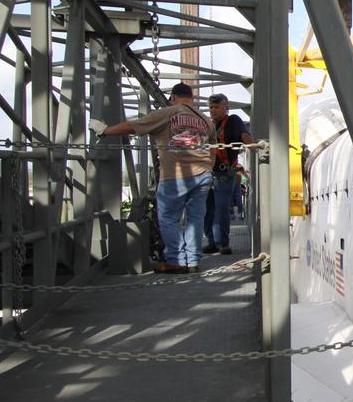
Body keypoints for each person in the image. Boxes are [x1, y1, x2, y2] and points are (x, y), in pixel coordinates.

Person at [96, 83, 214, 274]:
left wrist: (105, 130)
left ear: (174, 97)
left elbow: (134, 126)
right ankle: (192, 260)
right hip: (203, 173)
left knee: (169, 218)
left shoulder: (169, 112)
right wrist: (208, 167)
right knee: (195, 218)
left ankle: (176, 260)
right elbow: (213, 148)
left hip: (175, 175)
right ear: (191, 98)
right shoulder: (206, 119)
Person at [201, 93, 254, 255]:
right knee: (207, 208)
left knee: (222, 208)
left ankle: (222, 243)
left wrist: (253, 145)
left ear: (226, 108)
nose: (213, 110)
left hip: (224, 173)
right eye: (211, 107)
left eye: (216, 107)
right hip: (207, 173)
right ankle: (212, 241)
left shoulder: (233, 121)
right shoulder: (209, 125)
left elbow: (244, 135)